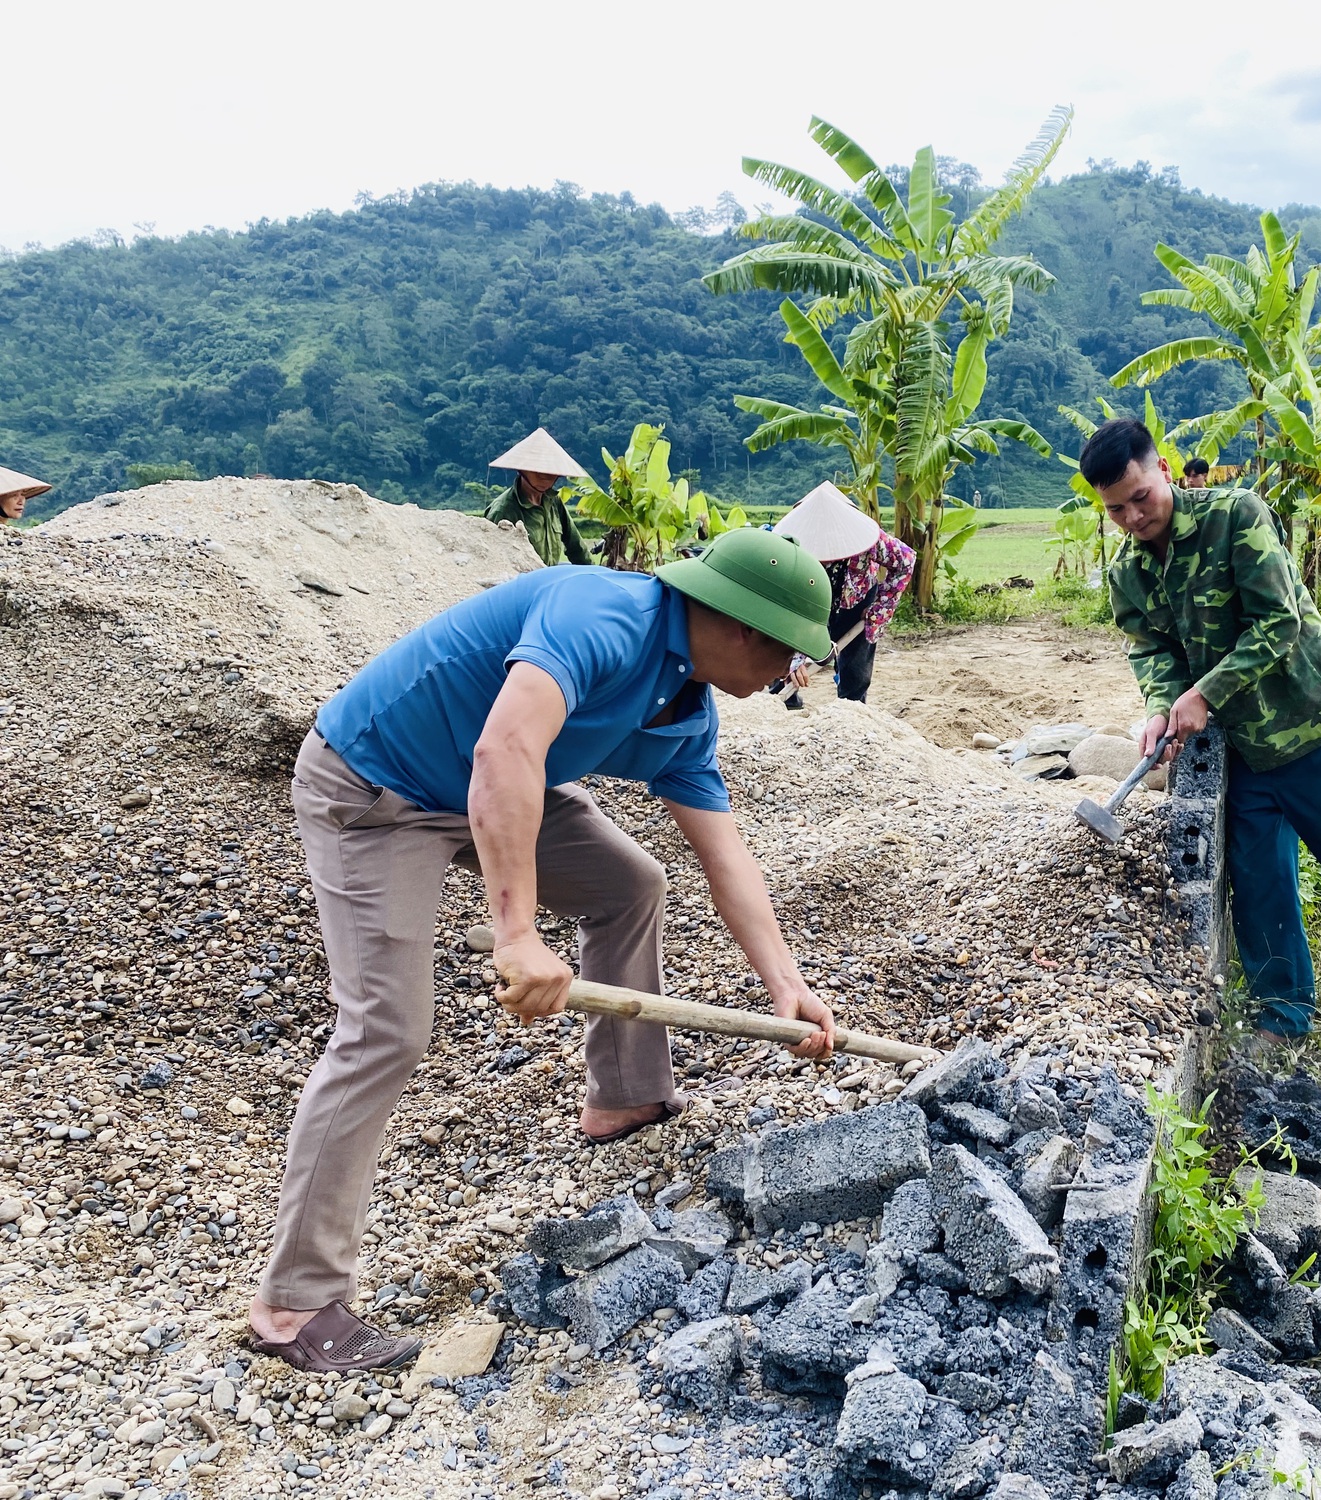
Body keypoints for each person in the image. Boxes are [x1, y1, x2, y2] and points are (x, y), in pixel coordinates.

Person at [245, 527, 842, 1373]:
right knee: (387, 1029)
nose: (789, 674)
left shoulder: (687, 713)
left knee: (630, 884)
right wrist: (517, 933)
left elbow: (725, 855)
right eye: (787, 654)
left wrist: (786, 985)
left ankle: (625, 1097)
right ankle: (292, 1304)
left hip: (493, 791)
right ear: (744, 625)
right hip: (378, 785)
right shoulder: (605, 613)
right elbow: (506, 748)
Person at [1080, 418, 1321, 1046]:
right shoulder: (1128, 574)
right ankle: (1282, 1015)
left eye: (1139, 497)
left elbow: (1277, 623)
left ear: (1162, 470)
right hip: (1248, 746)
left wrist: (1204, 693)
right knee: (1260, 877)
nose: (1130, 516)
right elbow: (1152, 650)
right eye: (1115, 509)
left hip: (1317, 717)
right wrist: (1161, 705)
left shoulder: (1237, 517)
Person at [770, 482, 915, 708]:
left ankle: (851, 710)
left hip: (856, 605)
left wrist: (880, 607)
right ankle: (785, 704)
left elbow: (906, 561)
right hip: (805, 603)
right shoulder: (788, 548)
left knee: (856, 673)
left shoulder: (871, 541)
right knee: (780, 664)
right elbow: (782, 602)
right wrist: (795, 654)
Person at [486, 427, 592, 567]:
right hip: (521, 583)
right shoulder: (503, 510)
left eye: (550, 474)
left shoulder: (554, 502)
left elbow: (576, 547)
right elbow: (492, 560)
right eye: (538, 473)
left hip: (549, 580)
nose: (545, 479)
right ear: (522, 470)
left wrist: (594, 573)